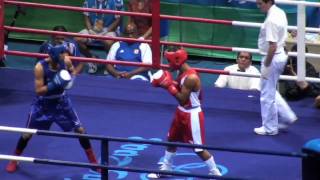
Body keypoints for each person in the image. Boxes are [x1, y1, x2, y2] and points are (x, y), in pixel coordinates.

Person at [5, 44, 100, 173]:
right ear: (55, 55)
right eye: (62, 53)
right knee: (27, 134)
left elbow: (72, 72)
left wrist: (70, 80)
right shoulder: (40, 67)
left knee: (80, 130)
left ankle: (93, 162)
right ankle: (14, 159)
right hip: (43, 105)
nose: (65, 56)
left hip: (62, 102)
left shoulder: (66, 61)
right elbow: (39, 91)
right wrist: (55, 84)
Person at [148, 47, 221, 178]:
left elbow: (182, 99)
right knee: (171, 140)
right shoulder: (180, 72)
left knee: (198, 148)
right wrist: (166, 82)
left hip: (192, 115)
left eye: (169, 61)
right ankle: (166, 168)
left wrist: (167, 86)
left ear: (177, 60)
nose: (168, 64)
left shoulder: (191, 77)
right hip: (180, 112)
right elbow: (179, 90)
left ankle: (215, 173)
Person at [254, 0, 297, 136]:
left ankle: (270, 128)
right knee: (269, 88)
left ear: (268, 2)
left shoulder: (272, 19)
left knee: (267, 94)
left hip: (272, 58)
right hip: (279, 55)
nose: (258, 6)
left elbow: (272, 46)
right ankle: (287, 115)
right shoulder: (280, 12)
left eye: (260, 3)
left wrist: (266, 64)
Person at [75, 0, 124, 74]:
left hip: (109, 30)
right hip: (93, 29)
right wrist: (90, 30)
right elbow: (86, 17)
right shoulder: (88, 1)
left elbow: (117, 20)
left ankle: (109, 64)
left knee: (108, 41)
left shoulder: (116, 1)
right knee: (78, 39)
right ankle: (92, 58)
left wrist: (106, 31)